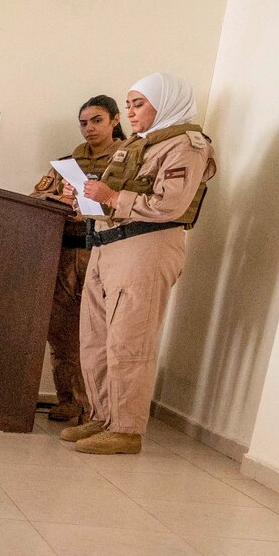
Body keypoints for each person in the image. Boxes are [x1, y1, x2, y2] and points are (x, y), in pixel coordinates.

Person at [57, 72, 219, 456]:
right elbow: (112, 201)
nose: (130, 111)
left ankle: (126, 429)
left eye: (139, 103)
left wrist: (110, 194)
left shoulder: (186, 146)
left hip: (145, 248)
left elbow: (169, 204)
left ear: (165, 103)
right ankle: (101, 416)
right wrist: (82, 198)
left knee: (129, 340)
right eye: (128, 103)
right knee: (95, 340)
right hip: (107, 245)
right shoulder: (136, 145)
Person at [30, 96, 125, 425]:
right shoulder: (66, 163)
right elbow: (35, 197)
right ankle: (69, 400)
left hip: (103, 252)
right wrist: (59, 198)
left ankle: (98, 408)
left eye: (97, 120)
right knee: (61, 332)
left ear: (114, 120)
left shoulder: (127, 160)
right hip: (66, 253)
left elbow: (127, 203)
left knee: (100, 333)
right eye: (83, 123)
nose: (89, 128)